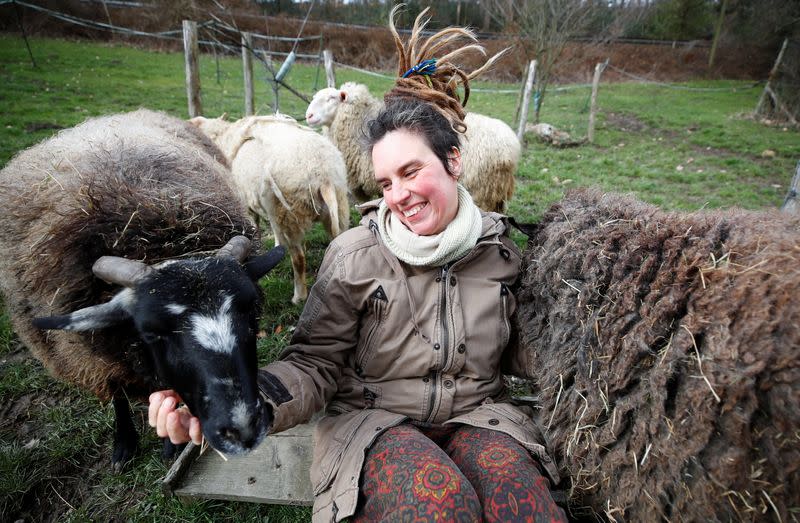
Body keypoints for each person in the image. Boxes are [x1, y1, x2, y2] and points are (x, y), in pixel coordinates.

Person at [149, 7, 568, 523]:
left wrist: (591, 347)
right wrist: (241, 401)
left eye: (412, 172)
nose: (400, 196)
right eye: (386, 182)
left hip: (482, 418)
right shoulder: (353, 255)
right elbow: (313, 364)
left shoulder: (503, 254)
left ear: (453, 161)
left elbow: (528, 352)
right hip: (374, 424)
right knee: (442, 507)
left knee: (526, 509)